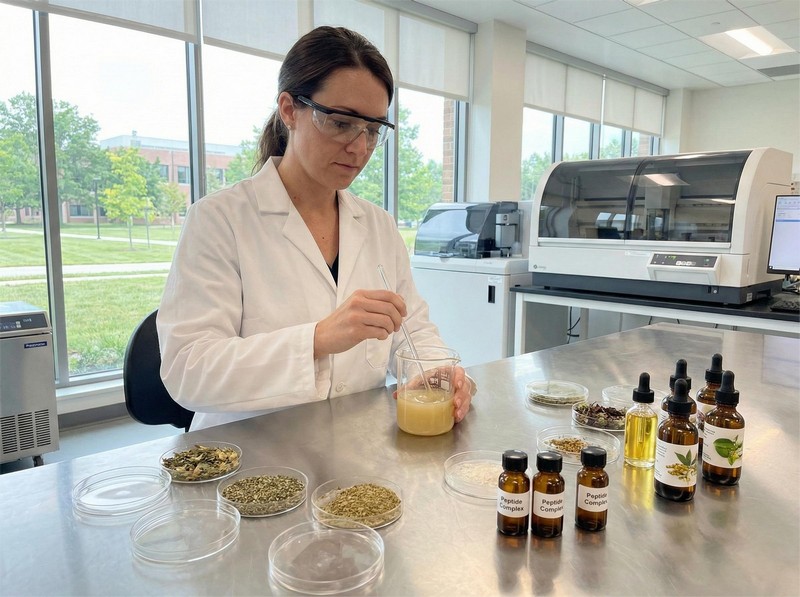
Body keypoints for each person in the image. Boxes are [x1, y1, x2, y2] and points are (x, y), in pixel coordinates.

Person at [157, 26, 474, 431]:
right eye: (341, 123)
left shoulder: (378, 225)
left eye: (373, 130)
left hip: (354, 452)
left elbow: (412, 332)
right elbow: (189, 370)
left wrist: (440, 373)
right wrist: (317, 339)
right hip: (250, 461)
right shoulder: (220, 220)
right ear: (289, 109)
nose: (359, 148)